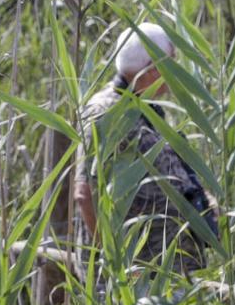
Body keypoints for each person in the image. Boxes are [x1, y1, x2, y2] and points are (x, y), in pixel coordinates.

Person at [73, 21, 216, 273]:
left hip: (165, 270)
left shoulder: (146, 108)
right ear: (151, 68)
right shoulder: (105, 112)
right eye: (171, 61)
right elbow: (85, 194)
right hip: (134, 278)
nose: (177, 71)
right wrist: (117, 262)